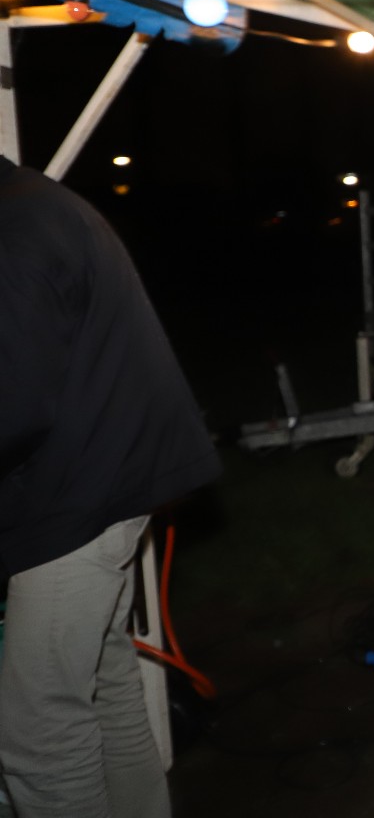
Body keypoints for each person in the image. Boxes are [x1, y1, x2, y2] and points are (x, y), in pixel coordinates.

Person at [0, 155, 222, 818]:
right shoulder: (34, 202)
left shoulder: (12, 230)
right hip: (107, 482)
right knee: (106, 683)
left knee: (39, 732)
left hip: (71, 501)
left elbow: (13, 407)